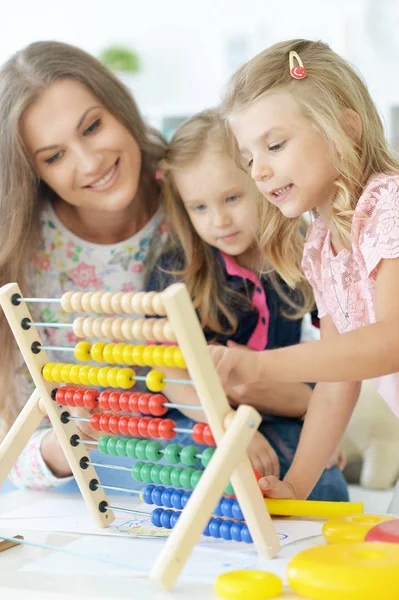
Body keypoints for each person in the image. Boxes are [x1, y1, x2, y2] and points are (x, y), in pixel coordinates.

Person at [208, 38, 399, 501]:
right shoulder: (320, 247)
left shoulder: (388, 206)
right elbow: (337, 383)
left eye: (274, 145)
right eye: (250, 157)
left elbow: (392, 342)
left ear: (346, 128)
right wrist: (296, 485)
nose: (258, 172)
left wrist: (261, 366)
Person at [146, 108, 348, 500]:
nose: (219, 220)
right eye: (200, 207)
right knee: (208, 483)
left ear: (262, 179)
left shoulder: (305, 251)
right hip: (202, 414)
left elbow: (336, 359)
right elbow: (169, 375)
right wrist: (229, 428)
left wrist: (322, 428)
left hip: (275, 411)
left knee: (326, 488)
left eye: (232, 198)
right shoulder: (177, 270)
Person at [0, 41, 169, 491]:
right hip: (93, 491)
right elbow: (12, 453)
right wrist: (62, 446)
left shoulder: (204, 199)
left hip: (226, 461)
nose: (91, 162)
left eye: (92, 127)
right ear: (34, 173)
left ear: (119, 109)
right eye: (54, 156)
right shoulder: (20, 259)